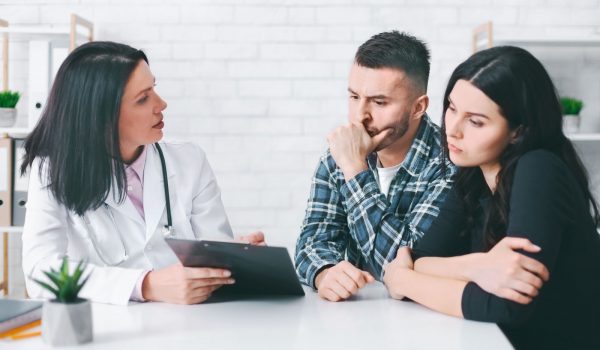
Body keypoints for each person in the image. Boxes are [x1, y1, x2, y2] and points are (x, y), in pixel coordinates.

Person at [383, 46, 600, 349]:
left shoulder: (539, 168)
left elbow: (506, 305)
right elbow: (421, 257)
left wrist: (401, 280)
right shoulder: (472, 176)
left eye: (476, 121)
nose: (453, 129)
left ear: (518, 131)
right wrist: (475, 266)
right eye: (452, 108)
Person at [21, 41, 264, 306]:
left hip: (190, 323)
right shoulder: (51, 171)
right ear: (100, 116)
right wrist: (145, 285)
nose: (162, 104)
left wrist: (234, 257)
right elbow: (40, 271)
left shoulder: (190, 161)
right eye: (143, 98)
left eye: (154, 89)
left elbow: (211, 249)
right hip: (108, 331)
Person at [295, 31, 455, 302]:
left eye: (379, 102)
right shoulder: (338, 155)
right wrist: (325, 273)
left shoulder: (449, 163)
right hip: (357, 320)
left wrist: (355, 170)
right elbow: (312, 241)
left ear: (418, 107)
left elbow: (405, 266)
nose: (360, 116)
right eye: (354, 97)